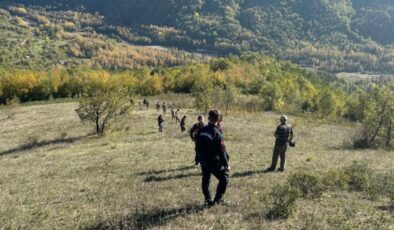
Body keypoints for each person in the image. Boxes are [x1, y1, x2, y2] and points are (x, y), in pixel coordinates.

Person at [196, 110, 230, 206]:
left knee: (206, 179)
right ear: (218, 119)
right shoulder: (217, 133)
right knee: (224, 178)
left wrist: (200, 157)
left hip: (203, 160)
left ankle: (208, 200)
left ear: (208, 118)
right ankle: (217, 200)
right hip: (213, 161)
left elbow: (197, 146)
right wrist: (226, 164)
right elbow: (222, 151)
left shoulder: (201, 130)